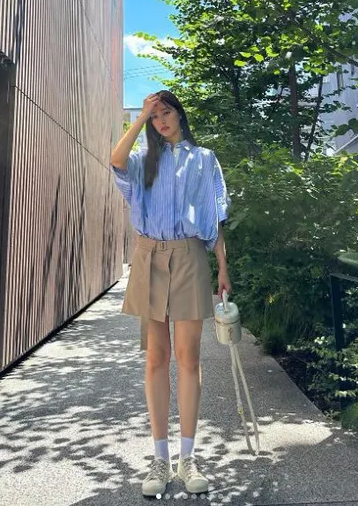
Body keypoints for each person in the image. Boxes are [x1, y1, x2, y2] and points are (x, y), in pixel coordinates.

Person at [110, 91, 231, 497]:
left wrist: (223, 268)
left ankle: (187, 457)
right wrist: (140, 117)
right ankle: (160, 458)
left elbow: (216, 214)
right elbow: (115, 161)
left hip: (190, 255)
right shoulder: (145, 160)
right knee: (156, 358)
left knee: (189, 358)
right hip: (149, 257)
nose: (160, 120)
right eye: (154, 116)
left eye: (166, 112)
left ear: (180, 114)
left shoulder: (205, 159)